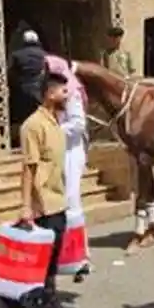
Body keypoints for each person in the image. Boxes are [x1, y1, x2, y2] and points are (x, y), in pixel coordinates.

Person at [18, 70, 75, 308]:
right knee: (43, 255)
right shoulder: (33, 125)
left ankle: (43, 297)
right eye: (63, 91)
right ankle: (40, 298)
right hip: (43, 203)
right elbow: (28, 168)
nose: (68, 95)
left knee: (52, 254)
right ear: (50, 94)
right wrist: (26, 206)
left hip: (57, 199)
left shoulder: (55, 123)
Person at [47, 56, 90, 281]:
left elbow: (78, 125)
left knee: (72, 202)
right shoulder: (50, 97)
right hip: (57, 152)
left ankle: (80, 258)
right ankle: (64, 255)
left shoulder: (71, 94)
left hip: (71, 152)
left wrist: (53, 131)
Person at [8, 29, 47, 130]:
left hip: (22, 89)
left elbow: (11, 73)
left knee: (23, 115)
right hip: (40, 88)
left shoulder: (17, 55)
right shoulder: (44, 55)